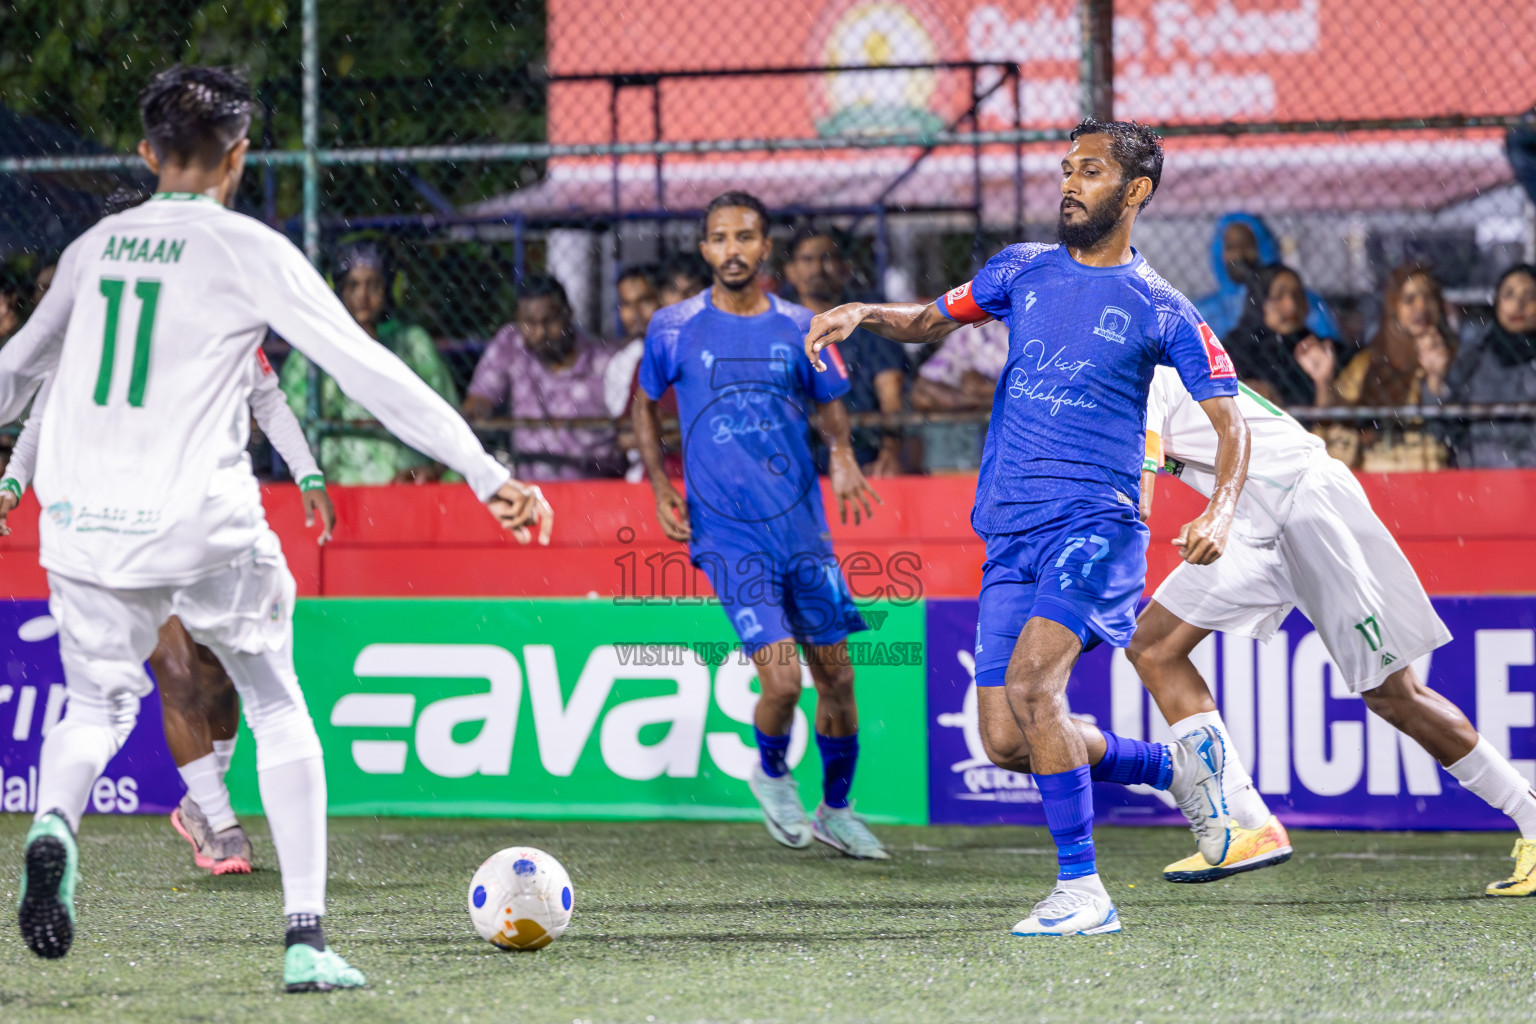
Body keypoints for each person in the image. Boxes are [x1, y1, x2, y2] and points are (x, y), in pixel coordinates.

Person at [0, 65, 550, 987]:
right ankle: (305, 941)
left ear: (144, 153)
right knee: (277, 704)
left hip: (83, 524)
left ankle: (56, 824)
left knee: (95, 705)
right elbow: (364, 369)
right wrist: (483, 467)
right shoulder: (248, 249)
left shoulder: (96, 247)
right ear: (240, 156)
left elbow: (17, 371)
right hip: (200, 520)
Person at [805, 119, 1251, 936]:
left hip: (1097, 524)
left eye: (1089, 171)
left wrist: (1218, 508)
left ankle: (1084, 891)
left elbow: (1233, 423)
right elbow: (930, 320)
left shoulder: (1161, 306)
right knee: (1006, 740)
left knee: (1036, 686)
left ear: (1135, 191)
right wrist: (866, 312)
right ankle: (1171, 766)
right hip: (1011, 533)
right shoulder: (1022, 270)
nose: (1069, 183)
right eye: (1065, 169)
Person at [1131, 364, 1536, 894]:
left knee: (1394, 695)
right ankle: (1247, 824)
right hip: (1254, 524)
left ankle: (1529, 814)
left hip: (1304, 503)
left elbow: (1139, 500)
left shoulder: (1142, 376)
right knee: (1153, 646)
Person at [0, 347, 337, 876]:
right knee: (177, 673)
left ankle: (198, 804)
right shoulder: (96, 329)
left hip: (198, 529)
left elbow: (267, 399)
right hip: (119, 536)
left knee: (221, 675)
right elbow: (43, 415)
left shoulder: (214, 313)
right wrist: (13, 481)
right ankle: (220, 826)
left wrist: (308, 473)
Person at [633, 191, 890, 860]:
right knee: (782, 683)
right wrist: (662, 484)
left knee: (838, 680)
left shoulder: (804, 326)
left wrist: (842, 456)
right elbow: (644, 404)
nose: (733, 249)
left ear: (765, 247)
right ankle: (771, 772)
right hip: (727, 536)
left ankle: (836, 810)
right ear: (704, 249)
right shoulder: (673, 327)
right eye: (720, 237)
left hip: (803, 533)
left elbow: (832, 404)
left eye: (746, 236)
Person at [279, 242, 461, 484]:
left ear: (388, 289)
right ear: (339, 291)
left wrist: (433, 471)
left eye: (373, 285)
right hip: (336, 486)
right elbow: (288, 425)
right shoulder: (312, 351)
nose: (362, 296)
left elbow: (448, 421)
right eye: (353, 286)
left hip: (406, 487)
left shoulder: (413, 345)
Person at [463, 273, 624, 479]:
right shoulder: (512, 343)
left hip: (594, 487)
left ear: (569, 314)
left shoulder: (606, 362)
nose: (540, 333)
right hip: (530, 487)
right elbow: (480, 397)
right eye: (529, 323)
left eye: (549, 321)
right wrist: (476, 413)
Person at [781, 224, 908, 477]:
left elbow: (891, 391)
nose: (818, 268)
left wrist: (889, 452)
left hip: (863, 454)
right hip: (793, 458)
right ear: (790, 271)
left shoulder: (868, 320)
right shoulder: (778, 325)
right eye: (808, 259)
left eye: (827, 258)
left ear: (845, 267)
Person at [1331, 264, 1455, 470]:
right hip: (1378, 466)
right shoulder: (1370, 361)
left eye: (1428, 297)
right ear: (1393, 306)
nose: (1421, 307)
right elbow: (1339, 412)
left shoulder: (1459, 355)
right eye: (1409, 300)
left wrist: (1435, 379)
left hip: (1430, 466)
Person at [1437, 264, 1536, 467]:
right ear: (1497, 301)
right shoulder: (1474, 356)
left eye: (1530, 295)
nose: (1518, 304)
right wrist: (1435, 381)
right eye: (1508, 295)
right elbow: (1445, 422)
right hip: (1482, 476)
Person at [1194, 212, 1339, 343]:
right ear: (1219, 253)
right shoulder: (1203, 313)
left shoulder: (1304, 303)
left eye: (1247, 244)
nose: (1239, 254)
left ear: (1264, 248)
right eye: (1231, 246)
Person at [1222, 264, 1344, 411]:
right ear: (1260, 302)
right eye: (1279, 297)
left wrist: (1323, 382)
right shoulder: (1233, 350)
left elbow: (1327, 423)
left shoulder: (1319, 350)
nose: (1291, 305)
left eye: (1297, 295)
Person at [909, 317, 1011, 471]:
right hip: (966, 426)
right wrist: (979, 397)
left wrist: (985, 389)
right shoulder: (978, 328)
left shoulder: (1044, 335)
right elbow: (921, 391)